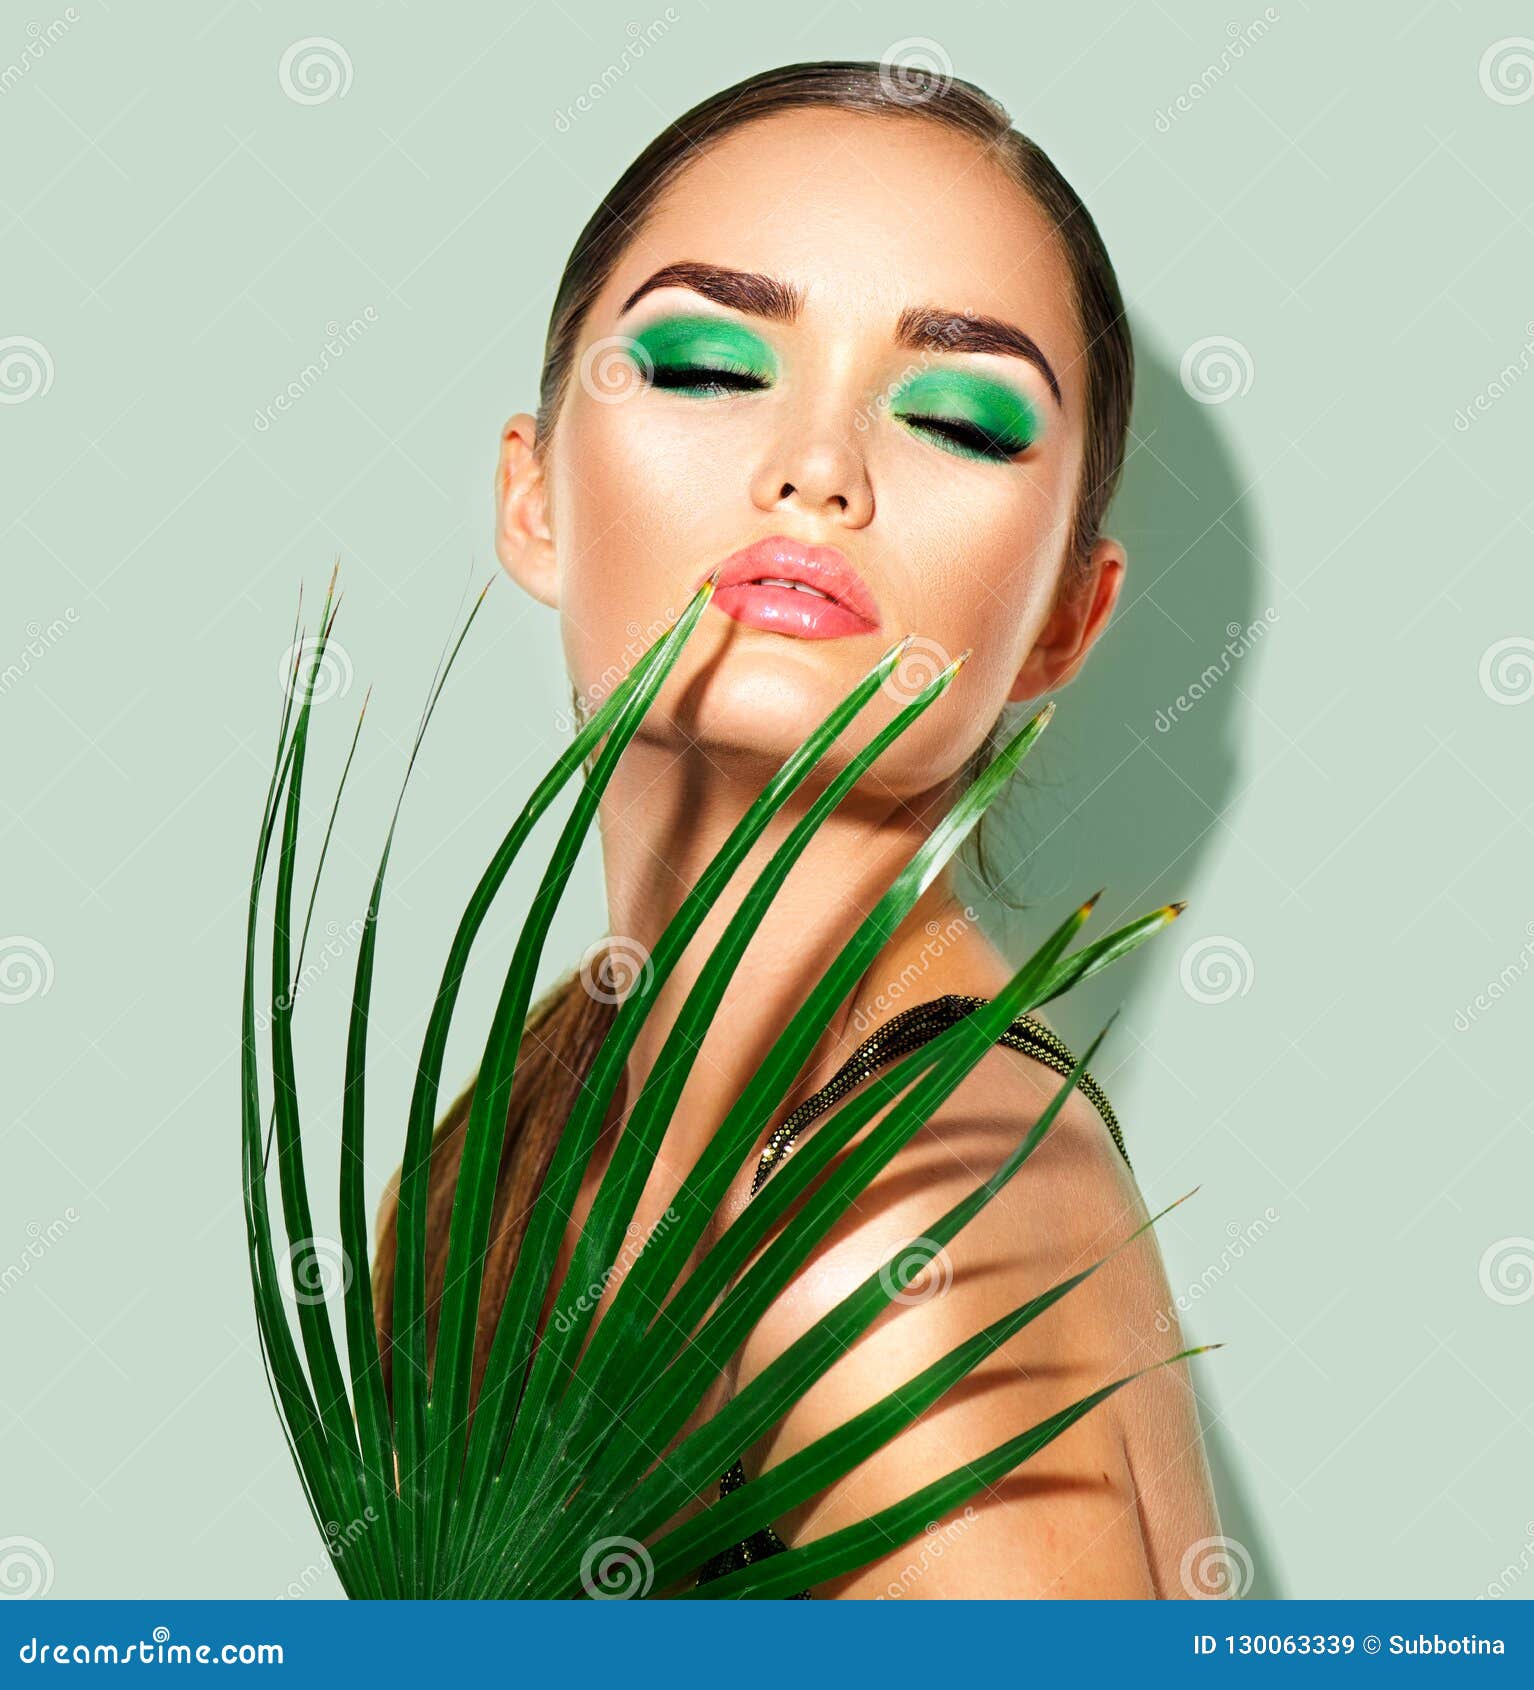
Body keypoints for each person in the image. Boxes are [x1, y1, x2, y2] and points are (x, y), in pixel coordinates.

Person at [371, 59, 1220, 1599]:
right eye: (705, 364)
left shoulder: (906, 1242)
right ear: (532, 495)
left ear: (1064, 624)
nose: (816, 471)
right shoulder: (498, 1159)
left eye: (958, 415)